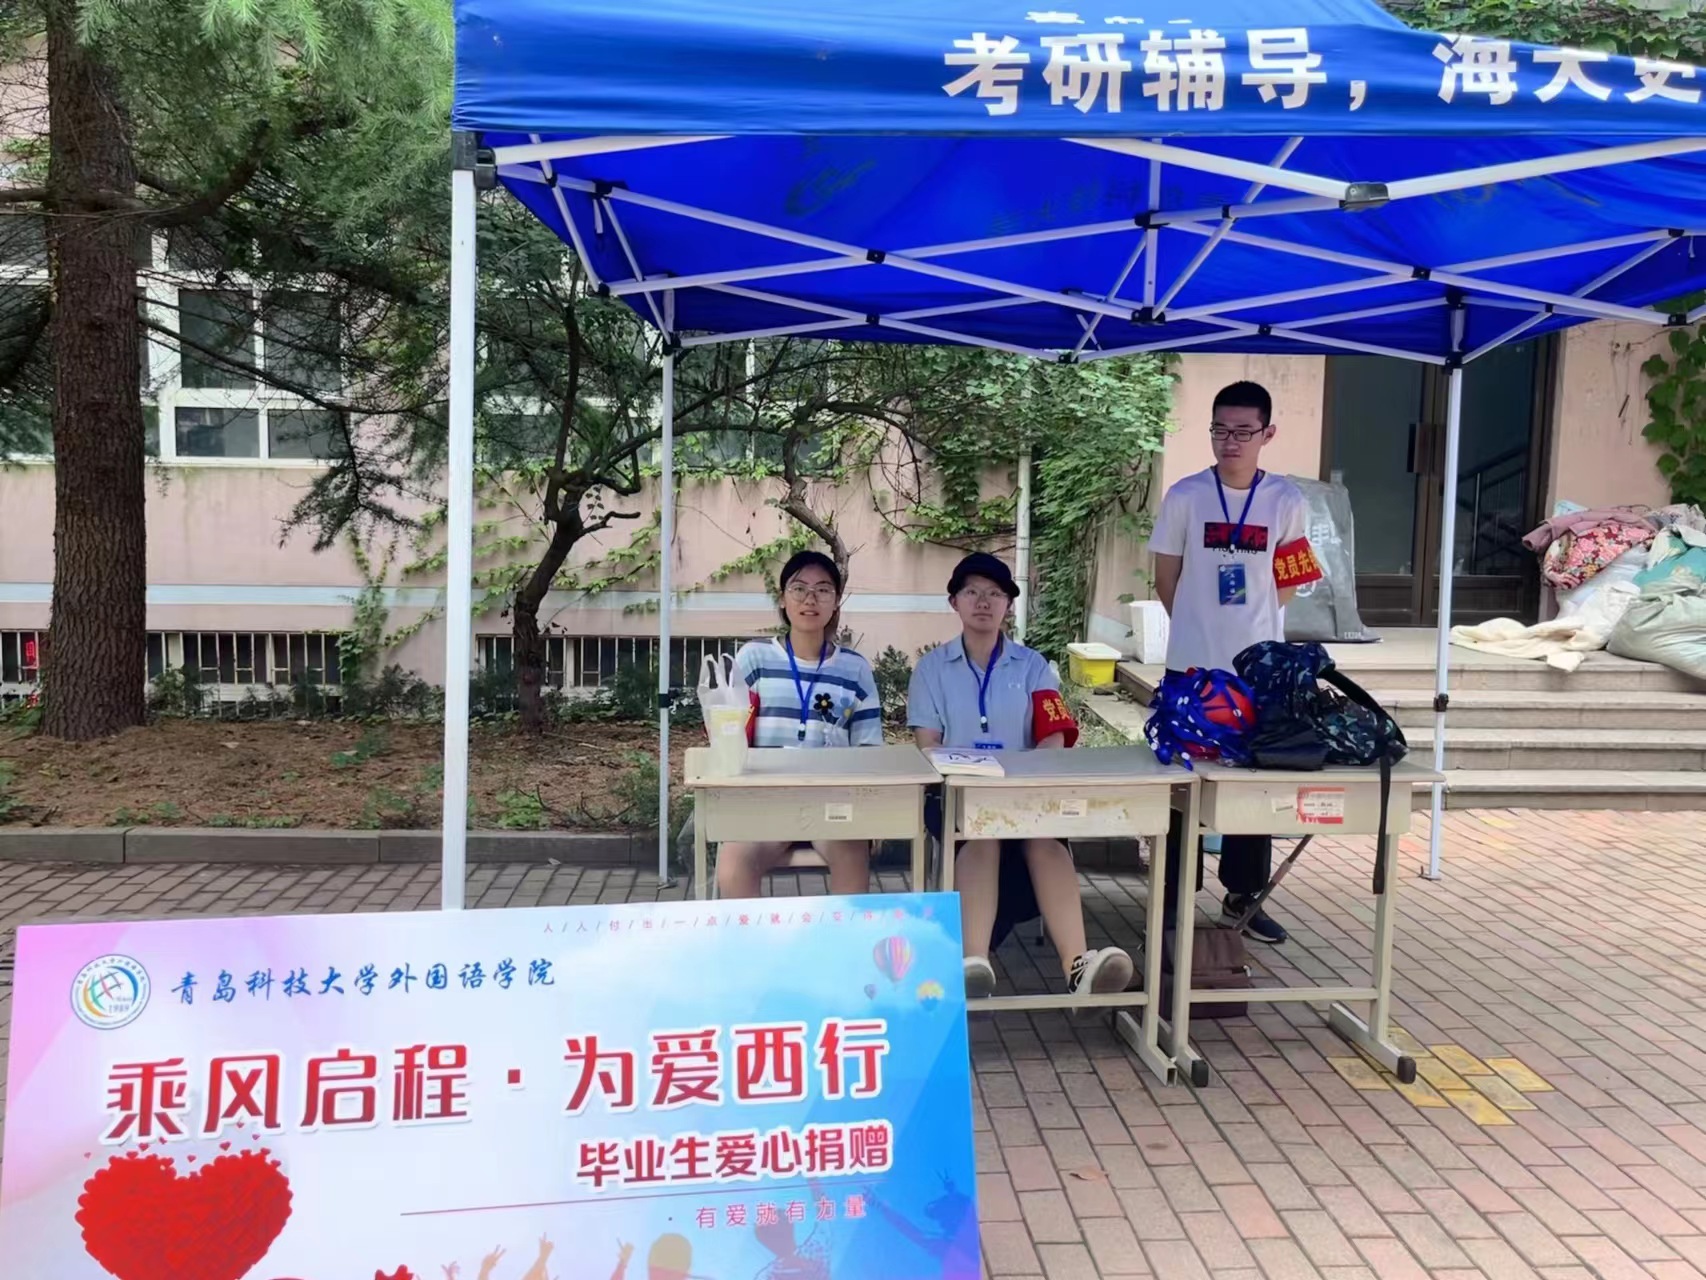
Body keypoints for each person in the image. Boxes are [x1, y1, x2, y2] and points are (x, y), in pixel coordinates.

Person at [907, 552, 1134, 1000]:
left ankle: (1078, 968)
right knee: (982, 837)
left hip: (1025, 796)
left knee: (1046, 840)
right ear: (954, 602)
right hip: (958, 798)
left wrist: (1023, 779)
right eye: (972, 592)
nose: (983, 602)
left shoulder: (1033, 666)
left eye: (995, 594)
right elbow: (927, 745)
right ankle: (973, 964)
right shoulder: (931, 669)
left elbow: (1053, 736)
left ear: (1009, 605)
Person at [1149, 380, 1321, 945]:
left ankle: (1243, 895)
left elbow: (1289, 580)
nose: (1230, 441)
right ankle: (1174, 896)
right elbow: (1166, 577)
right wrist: (1198, 629)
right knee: (1183, 782)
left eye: (1243, 431)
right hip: (1191, 669)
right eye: (1220, 430)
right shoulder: (1185, 496)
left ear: (1267, 434)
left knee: (1254, 785)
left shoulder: (1286, 501)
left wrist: (1253, 631)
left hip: (1257, 672)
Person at [716, 550, 882, 899]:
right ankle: (755, 938)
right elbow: (727, 735)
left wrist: (869, 812)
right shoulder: (754, 658)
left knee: (853, 859)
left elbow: (869, 749)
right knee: (733, 868)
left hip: (833, 804)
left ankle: (840, 938)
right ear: (782, 598)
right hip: (765, 800)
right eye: (799, 588)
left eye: (823, 590)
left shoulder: (855, 669)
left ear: (836, 602)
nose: (810, 599)